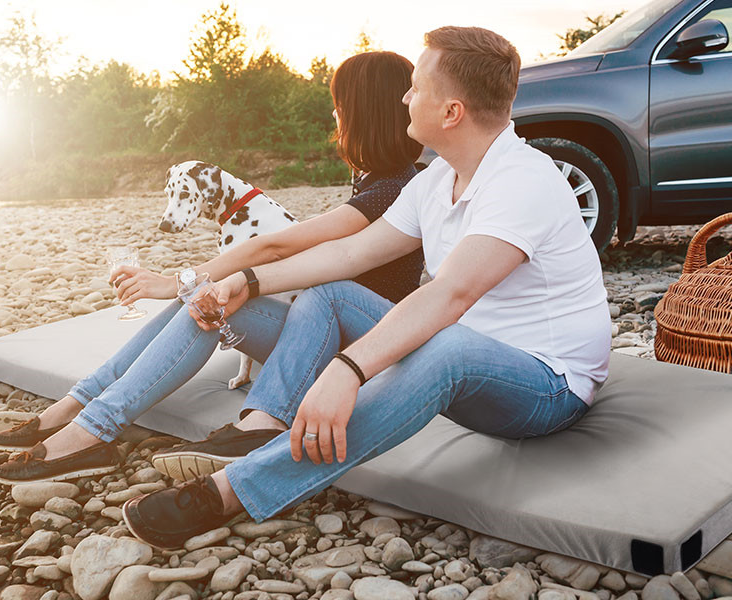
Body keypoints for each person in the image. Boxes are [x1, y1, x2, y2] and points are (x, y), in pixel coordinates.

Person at [120, 26, 612, 549]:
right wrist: (246, 280)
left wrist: (347, 370)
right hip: (469, 351)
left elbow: (450, 296)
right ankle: (263, 425)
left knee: (449, 346)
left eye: (417, 87)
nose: (404, 96)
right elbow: (350, 254)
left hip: (547, 384)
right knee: (330, 293)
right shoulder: (434, 182)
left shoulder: (524, 181)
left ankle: (233, 490)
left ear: (451, 112)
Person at [0, 51, 425, 484]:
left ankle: (89, 431)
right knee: (206, 303)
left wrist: (177, 280)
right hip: (322, 332)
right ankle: (78, 407)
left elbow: (275, 246)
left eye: (341, 104)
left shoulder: (393, 188)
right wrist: (194, 284)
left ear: (365, 112)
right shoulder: (374, 178)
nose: (335, 114)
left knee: (211, 302)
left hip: (367, 347)